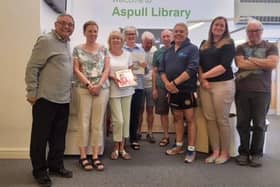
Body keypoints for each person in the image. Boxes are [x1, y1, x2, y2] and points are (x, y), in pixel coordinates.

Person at [25, 14, 74, 186]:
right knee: (40, 137)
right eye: (64, 23)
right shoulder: (46, 41)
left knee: (58, 137)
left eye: (71, 24)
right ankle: (39, 171)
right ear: (56, 24)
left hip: (63, 99)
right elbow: (32, 67)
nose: (67, 27)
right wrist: (31, 91)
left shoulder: (67, 43)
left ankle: (55, 165)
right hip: (45, 98)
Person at [235, 19, 279, 167]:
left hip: (262, 91)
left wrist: (252, 59)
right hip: (242, 91)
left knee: (259, 124)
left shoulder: (271, 46)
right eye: (250, 31)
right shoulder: (240, 47)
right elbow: (240, 64)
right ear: (246, 32)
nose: (253, 34)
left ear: (261, 31)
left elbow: (272, 64)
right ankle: (243, 152)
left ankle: (256, 154)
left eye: (256, 30)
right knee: (242, 123)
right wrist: (262, 62)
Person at [159, 23, 199, 163]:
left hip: (187, 90)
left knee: (190, 119)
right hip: (172, 90)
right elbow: (161, 71)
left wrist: (174, 83)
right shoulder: (168, 51)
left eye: (181, 31)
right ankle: (179, 146)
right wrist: (167, 85)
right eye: (176, 31)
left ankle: (191, 149)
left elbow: (192, 68)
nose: (178, 34)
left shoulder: (192, 49)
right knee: (177, 118)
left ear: (186, 33)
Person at [73, 20, 110, 171]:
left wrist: (99, 85)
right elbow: (76, 70)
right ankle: (83, 156)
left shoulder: (104, 49)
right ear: (84, 32)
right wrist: (89, 85)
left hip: (102, 89)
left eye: (95, 31)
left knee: (97, 123)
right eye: (90, 31)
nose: (93, 34)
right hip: (83, 89)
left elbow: (107, 69)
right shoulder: (77, 49)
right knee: (83, 122)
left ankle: (95, 156)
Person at [198, 16, 235, 164]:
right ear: (211, 26)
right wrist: (204, 80)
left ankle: (225, 153)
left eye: (222, 25)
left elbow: (223, 66)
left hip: (223, 85)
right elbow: (199, 64)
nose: (218, 27)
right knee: (210, 119)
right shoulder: (204, 44)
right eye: (216, 24)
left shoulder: (228, 44)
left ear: (225, 29)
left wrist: (203, 78)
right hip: (206, 86)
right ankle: (215, 151)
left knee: (222, 120)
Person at [107, 30, 134, 160]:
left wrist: (127, 79)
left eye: (118, 38)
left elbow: (129, 71)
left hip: (127, 90)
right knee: (118, 120)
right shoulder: (106, 54)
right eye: (114, 38)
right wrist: (114, 78)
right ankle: (115, 146)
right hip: (113, 91)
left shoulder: (128, 54)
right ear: (110, 41)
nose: (116, 40)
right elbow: (105, 71)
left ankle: (122, 148)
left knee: (126, 120)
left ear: (122, 41)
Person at [123, 26, 146, 150]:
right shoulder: (121, 50)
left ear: (135, 35)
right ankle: (122, 141)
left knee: (135, 113)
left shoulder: (141, 50)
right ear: (125, 36)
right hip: (125, 86)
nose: (131, 36)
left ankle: (133, 139)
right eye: (128, 34)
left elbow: (145, 69)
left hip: (138, 86)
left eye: (133, 34)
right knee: (124, 114)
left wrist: (144, 66)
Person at [152, 29, 173, 147]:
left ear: (172, 37)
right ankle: (166, 136)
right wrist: (154, 88)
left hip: (176, 87)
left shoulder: (177, 50)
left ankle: (179, 138)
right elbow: (154, 72)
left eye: (168, 36)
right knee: (163, 113)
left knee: (177, 114)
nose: (166, 38)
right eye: (164, 36)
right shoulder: (157, 53)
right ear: (161, 38)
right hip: (161, 86)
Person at [138, 31, 157, 143]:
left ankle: (150, 132)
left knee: (150, 109)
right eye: (146, 43)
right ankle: (138, 131)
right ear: (142, 41)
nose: (148, 45)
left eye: (150, 43)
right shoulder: (138, 51)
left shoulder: (155, 51)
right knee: (139, 110)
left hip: (150, 84)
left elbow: (155, 70)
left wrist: (155, 88)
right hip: (139, 84)